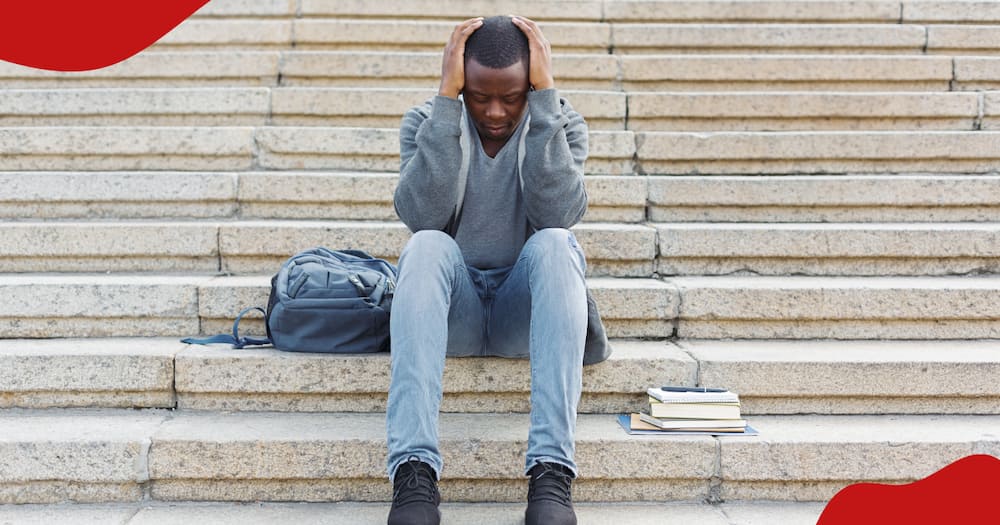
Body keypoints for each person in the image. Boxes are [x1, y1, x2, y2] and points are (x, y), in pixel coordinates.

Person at [385, 15, 609, 525]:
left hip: (521, 312)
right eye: (478, 96)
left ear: (532, 84)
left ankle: (552, 470)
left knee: (556, 243)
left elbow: (559, 215)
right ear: (461, 83)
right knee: (425, 246)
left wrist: (546, 105)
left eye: (511, 97)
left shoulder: (561, 123)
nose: (493, 110)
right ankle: (413, 473)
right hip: (454, 311)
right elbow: (422, 215)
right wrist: (446, 105)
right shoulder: (427, 121)